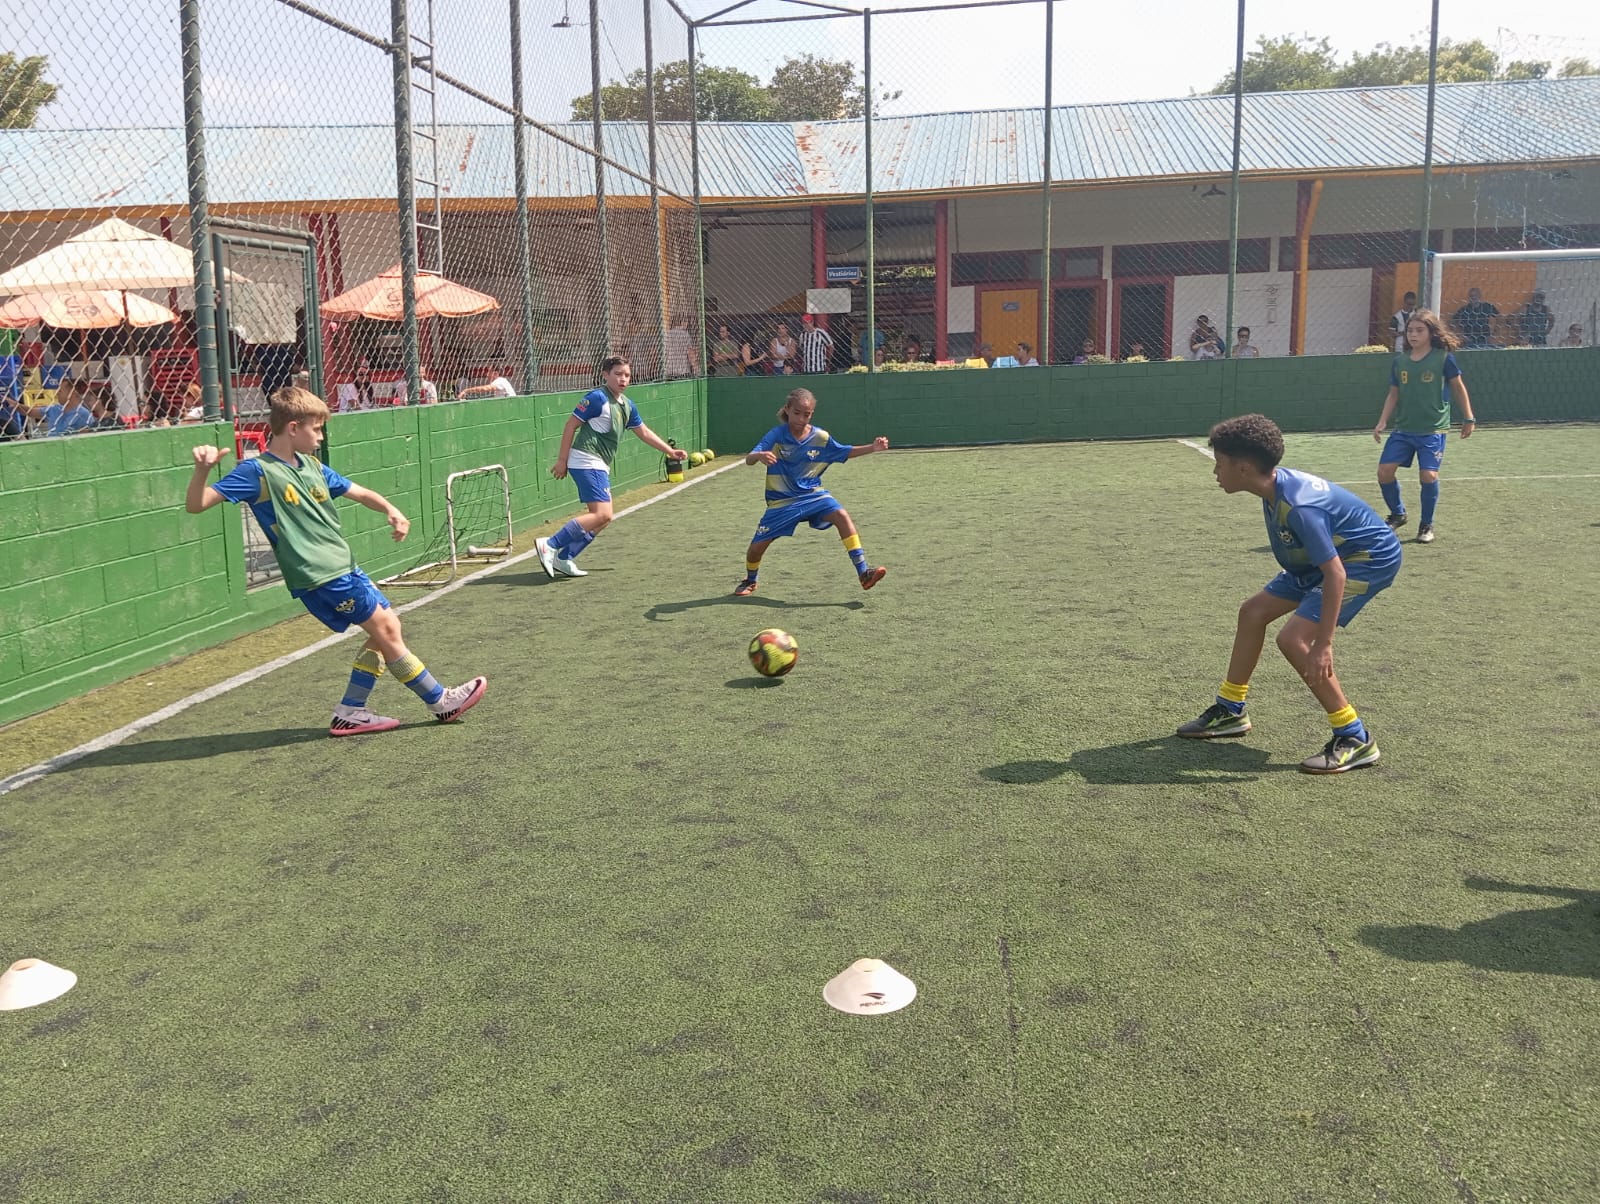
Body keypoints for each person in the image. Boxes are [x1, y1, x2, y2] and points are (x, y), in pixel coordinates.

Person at [185, 386, 486, 737]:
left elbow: (359, 492)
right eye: (316, 429)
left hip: (345, 567)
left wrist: (391, 509)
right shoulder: (257, 472)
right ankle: (440, 701)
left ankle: (351, 711)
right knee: (386, 630)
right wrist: (202, 471)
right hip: (321, 575)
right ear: (293, 428)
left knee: (387, 628)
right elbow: (197, 504)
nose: (321, 436)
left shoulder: (312, 466)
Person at [1176, 414, 1400, 774]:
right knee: (1253, 612)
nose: (1215, 471)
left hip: (1365, 560)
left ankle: (1354, 736)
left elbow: (1336, 573)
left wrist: (1323, 643)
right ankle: (1231, 710)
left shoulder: (1300, 507)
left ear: (1244, 469)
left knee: (1293, 639)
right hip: (1316, 562)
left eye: (1219, 464)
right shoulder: (1273, 487)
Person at [537, 356, 687, 579]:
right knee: (602, 514)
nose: (623, 379)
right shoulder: (597, 398)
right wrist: (562, 460)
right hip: (586, 459)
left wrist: (670, 451)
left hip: (598, 464)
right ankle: (550, 544)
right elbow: (570, 425)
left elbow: (644, 432)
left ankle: (564, 557)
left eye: (627, 375)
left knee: (603, 518)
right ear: (605, 375)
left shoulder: (627, 405)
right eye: (617, 374)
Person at [733, 387, 888, 597]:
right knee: (756, 548)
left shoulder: (820, 437)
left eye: (806, 414)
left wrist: (872, 447)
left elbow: (843, 451)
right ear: (787, 410)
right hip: (782, 502)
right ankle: (751, 580)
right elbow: (750, 459)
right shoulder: (776, 435)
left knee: (841, 514)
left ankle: (864, 572)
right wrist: (759, 455)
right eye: (796, 413)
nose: (801, 418)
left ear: (812, 414)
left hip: (813, 495)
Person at [1373, 308, 1476, 544]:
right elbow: (1393, 393)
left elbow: (1458, 387)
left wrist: (1468, 417)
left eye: (1419, 330)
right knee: (1384, 471)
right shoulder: (1400, 361)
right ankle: (1398, 514)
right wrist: (1382, 420)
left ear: (1431, 333)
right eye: (1410, 330)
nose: (1413, 335)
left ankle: (1426, 524)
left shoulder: (1443, 358)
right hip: (1404, 429)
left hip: (1432, 430)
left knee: (1428, 476)